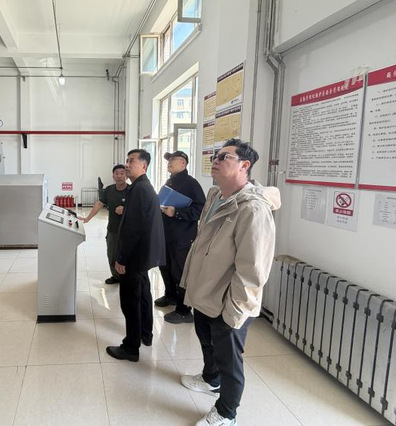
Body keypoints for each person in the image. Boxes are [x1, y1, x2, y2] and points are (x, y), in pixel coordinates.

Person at [179, 139, 280, 426]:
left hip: (228, 299)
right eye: (215, 155)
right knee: (206, 341)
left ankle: (226, 412)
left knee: (229, 359)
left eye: (224, 156)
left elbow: (253, 269)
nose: (216, 160)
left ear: (244, 165)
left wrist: (235, 310)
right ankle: (210, 379)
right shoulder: (215, 195)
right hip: (205, 290)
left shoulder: (252, 210)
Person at [106, 149, 165, 362]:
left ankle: (131, 347)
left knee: (130, 301)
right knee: (143, 295)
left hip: (134, 256)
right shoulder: (142, 187)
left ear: (144, 166)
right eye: (127, 160)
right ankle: (145, 334)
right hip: (143, 255)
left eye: (132, 161)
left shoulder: (140, 189)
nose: (127, 165)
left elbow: (132, 230)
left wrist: (121, 258)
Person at [155, 150, 205, 324]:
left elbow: (200, 209)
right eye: (168, 159)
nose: (169, 162)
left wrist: (176, 212)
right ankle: (171, 295)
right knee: (165, 266)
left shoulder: (191, 184)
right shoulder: (170, 181)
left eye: (173, 159)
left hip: (182, 236)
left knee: (180, 271)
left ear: (183, 163)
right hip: (166, 233)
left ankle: (184, 310)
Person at [79, 164, 129, 284]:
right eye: (117, 173)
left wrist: (125, 210)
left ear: (126, 175)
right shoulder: (109, 190)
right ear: (113, 176)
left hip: (128, 230)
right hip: (113, 229)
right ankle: (116, 276)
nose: (119, 176)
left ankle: (127, 277)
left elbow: (139, 208)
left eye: (122, 173)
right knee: (112, 254)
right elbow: (99, 204)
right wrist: (88, 218)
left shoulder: (132, 190)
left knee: (127, 255)